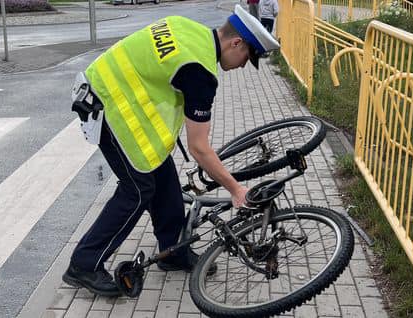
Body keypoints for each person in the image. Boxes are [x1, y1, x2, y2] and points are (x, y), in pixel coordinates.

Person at [63, 5, 280, 297]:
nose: (243, 66)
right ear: (236, 42)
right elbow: (199, 148)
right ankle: (84, 265)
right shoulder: (200, 72)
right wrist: (235, 190)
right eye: (247, 58)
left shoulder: (187, 27)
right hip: (108, 109)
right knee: (138, 190)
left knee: (162, 176)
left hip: (105, 89)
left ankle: (172, 252)